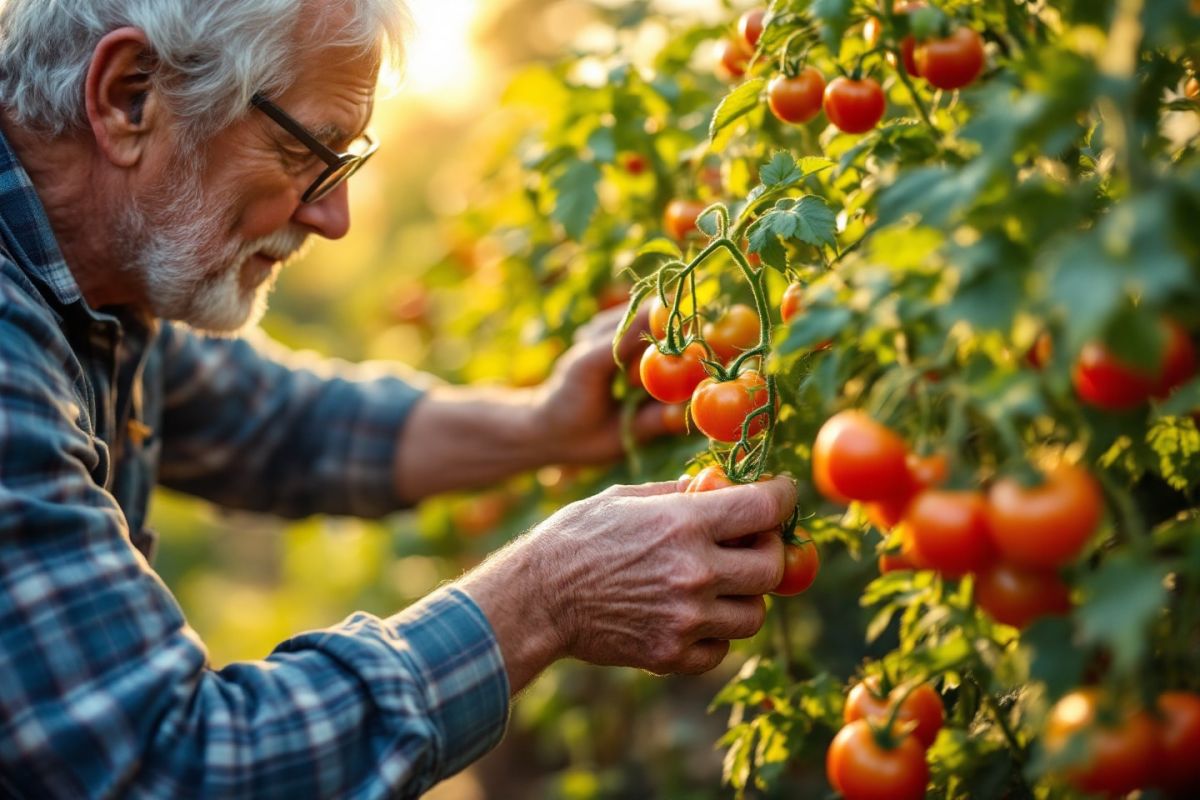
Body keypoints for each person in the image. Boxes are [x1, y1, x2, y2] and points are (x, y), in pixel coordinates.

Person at [0, 0, 797, 797]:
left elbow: (278, 424)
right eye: (305, 151)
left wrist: (541, 427)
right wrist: (543, 598)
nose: (334, 216)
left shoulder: (95, 287)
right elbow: (176, 767)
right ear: (130, 96)